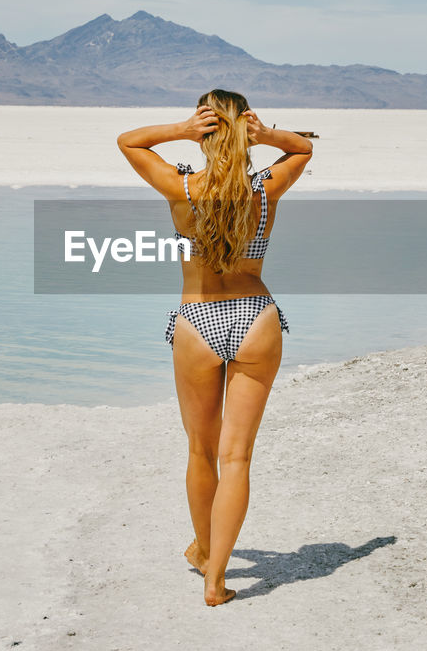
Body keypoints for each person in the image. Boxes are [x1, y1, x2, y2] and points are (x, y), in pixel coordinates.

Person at [117, 89, 313, 605]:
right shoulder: (264, 190)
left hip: (197, 320)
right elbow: (303, 151)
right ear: (244, 128)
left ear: (206, 130)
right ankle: (214, 579)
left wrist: (182, 129)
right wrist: (266, 135)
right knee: (237, 458)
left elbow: (129, 142)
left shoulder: (183, 189)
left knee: (201, 451)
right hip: (255, 317)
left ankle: (206, 552)